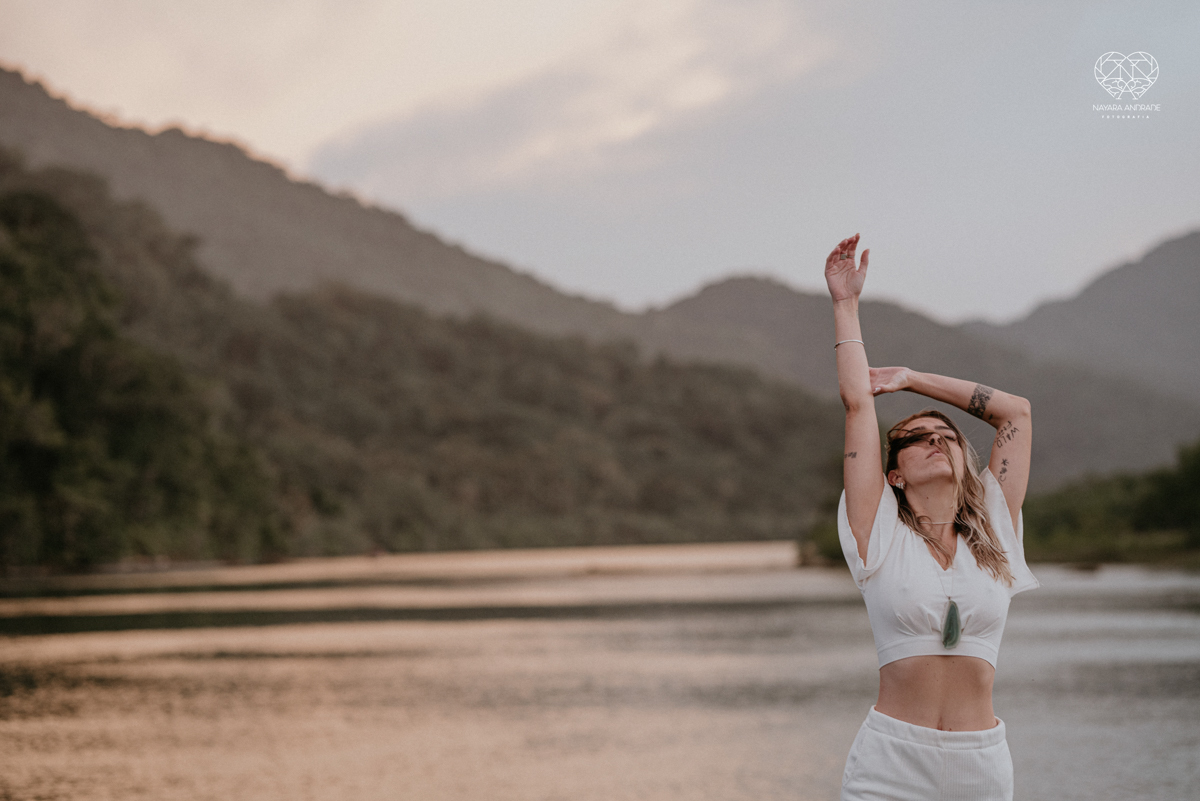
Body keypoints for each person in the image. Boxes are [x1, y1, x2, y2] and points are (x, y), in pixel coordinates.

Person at [825, 234, 1040, 801]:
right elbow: (857, 403)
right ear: (894, 474)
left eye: (946, 435)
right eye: (917, 439)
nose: (936, 441)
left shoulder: (995, 527)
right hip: (891, 764)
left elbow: (1015, 414)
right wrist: (845, 304)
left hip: (981, 764)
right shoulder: (878, 533)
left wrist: (911, 378)